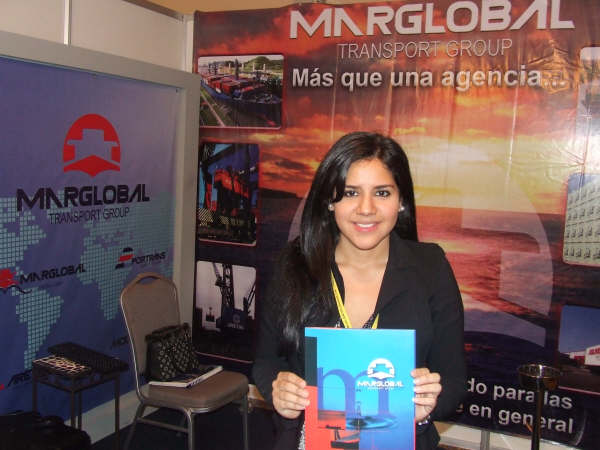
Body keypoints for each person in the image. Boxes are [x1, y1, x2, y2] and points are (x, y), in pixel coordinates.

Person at [253, 131, 466, 450]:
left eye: (382, 193)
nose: (366, 208)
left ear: (401, 201)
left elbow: (454, 380)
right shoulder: (295, 264)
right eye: (351, 192)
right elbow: (265, 361)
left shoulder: (431, 268)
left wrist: (429, 403)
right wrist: (278, 387)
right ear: (329, 200)